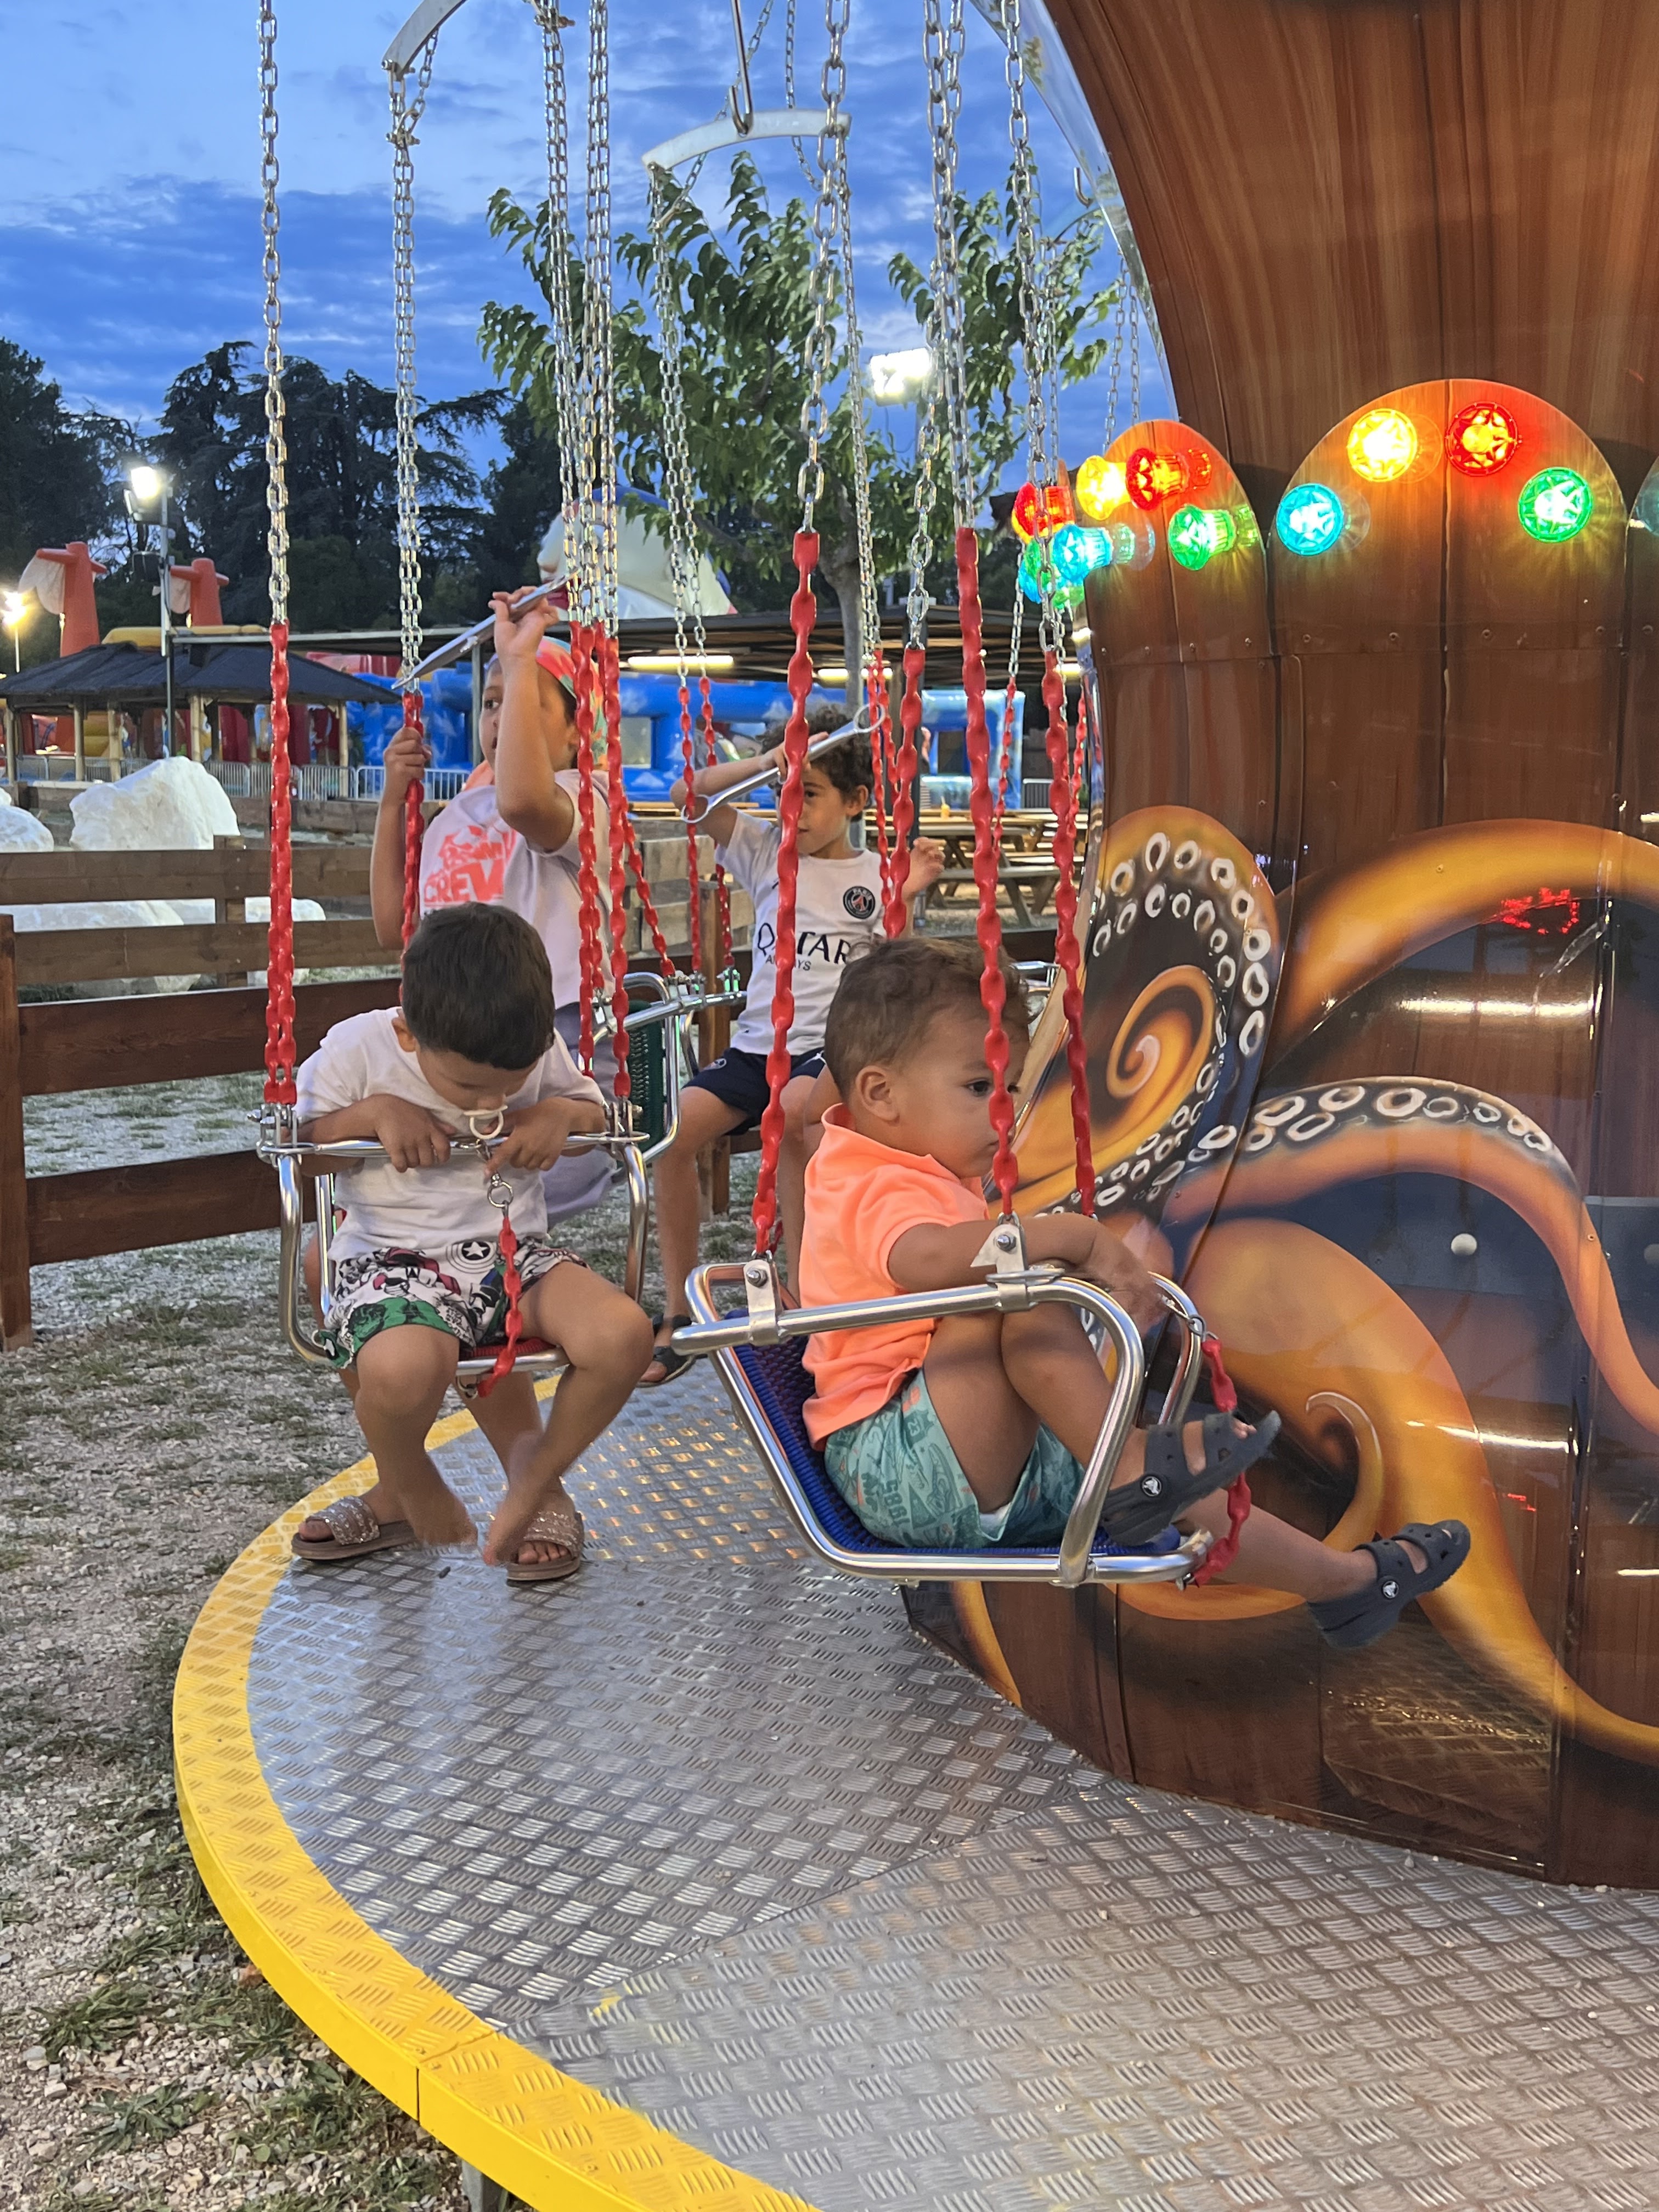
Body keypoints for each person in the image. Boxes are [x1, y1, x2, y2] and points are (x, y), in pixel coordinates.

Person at [798, 936, 1471, 1645]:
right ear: (880, 1094)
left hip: (960, 1454)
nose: (1004, 1115)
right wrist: (1079, 1239)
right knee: (1015, 1293)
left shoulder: (919, 1166)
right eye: (977, 1089)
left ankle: (1346, 1584)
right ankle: (1130, 1467)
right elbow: (926, 1261)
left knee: (1162, 1484)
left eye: (1011, 1090)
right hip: (898, 1464)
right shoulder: (868, 1178)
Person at [291, 902, 653, 1583]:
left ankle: (535, 1478)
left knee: (625, 1336)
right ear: (408, 1027)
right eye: (467, 1087)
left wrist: (556, 1112)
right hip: (395, 1261)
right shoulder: (357, 1050)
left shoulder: (529, 1043)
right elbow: (299, 1148)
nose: (490, 1103)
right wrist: (371, 1116)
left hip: (513, 1256)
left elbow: (591, 1113)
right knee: (401, 1372)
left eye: (510, 1086)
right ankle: (405, 1482)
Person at [640, 707, 944, 1385]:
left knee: (800, 1114)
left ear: (855, 802)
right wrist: (763, 764)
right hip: (759, 1047)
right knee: (672, 1134)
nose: (792, 809)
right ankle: (680, 1307)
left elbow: (891, 972)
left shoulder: (875, 876)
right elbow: (686, 795)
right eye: (782, 791)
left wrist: (908, 889)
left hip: (826, 1051)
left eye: (808, 794)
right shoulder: (763, 851)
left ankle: (807, 1302)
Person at [369, 593, 614, 1220]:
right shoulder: (459, 814)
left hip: (553, 1031)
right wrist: (393, 802)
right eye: (492, 702)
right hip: (454, 1033)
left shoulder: (582, 799)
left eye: (527, 701)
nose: (502, 716)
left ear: (575, 730)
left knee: (524, 1203)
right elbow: (395, 927)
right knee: (455, 1208)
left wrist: (519, 658)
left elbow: (523, 802)